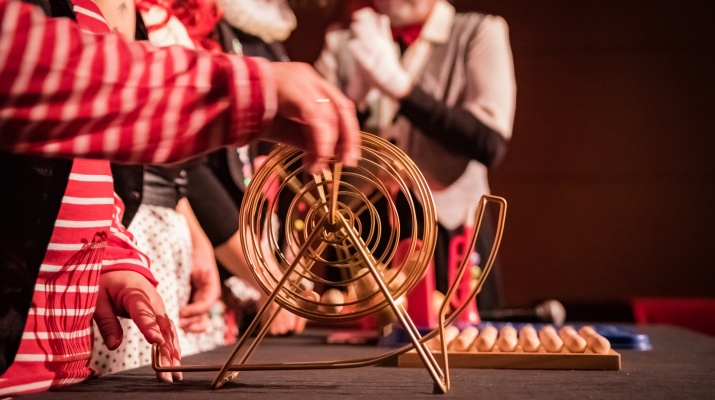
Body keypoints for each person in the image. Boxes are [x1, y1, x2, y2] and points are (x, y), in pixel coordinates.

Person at [0, 0, 359, 395]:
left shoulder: (85, 13)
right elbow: (30, 68)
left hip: (63, 371)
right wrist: (244, 90)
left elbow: (83, 174)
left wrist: (110, 259)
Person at [315, 0, 516, 315]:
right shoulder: (344, 40)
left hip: (448, 233)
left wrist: (403, 90)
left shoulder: (478, 32)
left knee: (459, 337)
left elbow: (488, 142)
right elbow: (310, 137)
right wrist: (351, 103)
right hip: (363, 231)